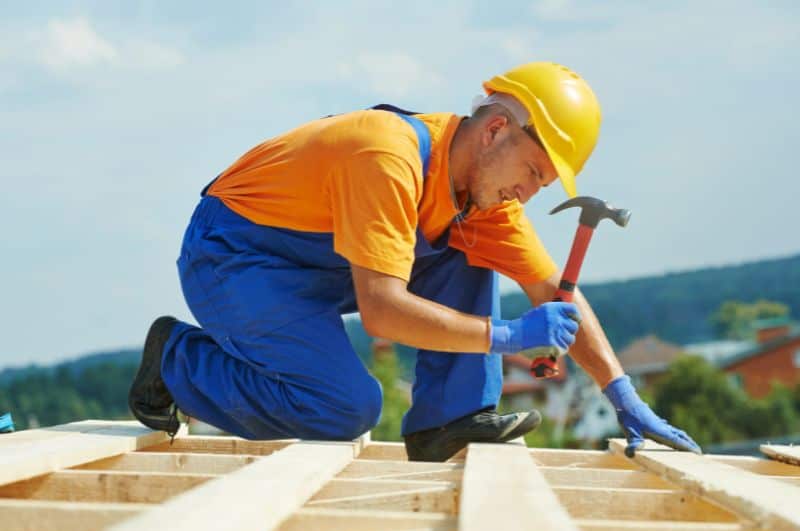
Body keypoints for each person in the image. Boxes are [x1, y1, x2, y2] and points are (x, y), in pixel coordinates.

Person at [128, 61, 701, 461]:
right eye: (531, 174)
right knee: (343, 410)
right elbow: (382, 312)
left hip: (318, 264)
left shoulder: (483, 197)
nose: (528, 194)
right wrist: (506, 334)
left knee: (468, 247)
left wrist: (621, 392)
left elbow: (555, 293)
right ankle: (176, 361)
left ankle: (447, 421)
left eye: (543, 185)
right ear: (496, 131)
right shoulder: (386, 156)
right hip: (235, 257)